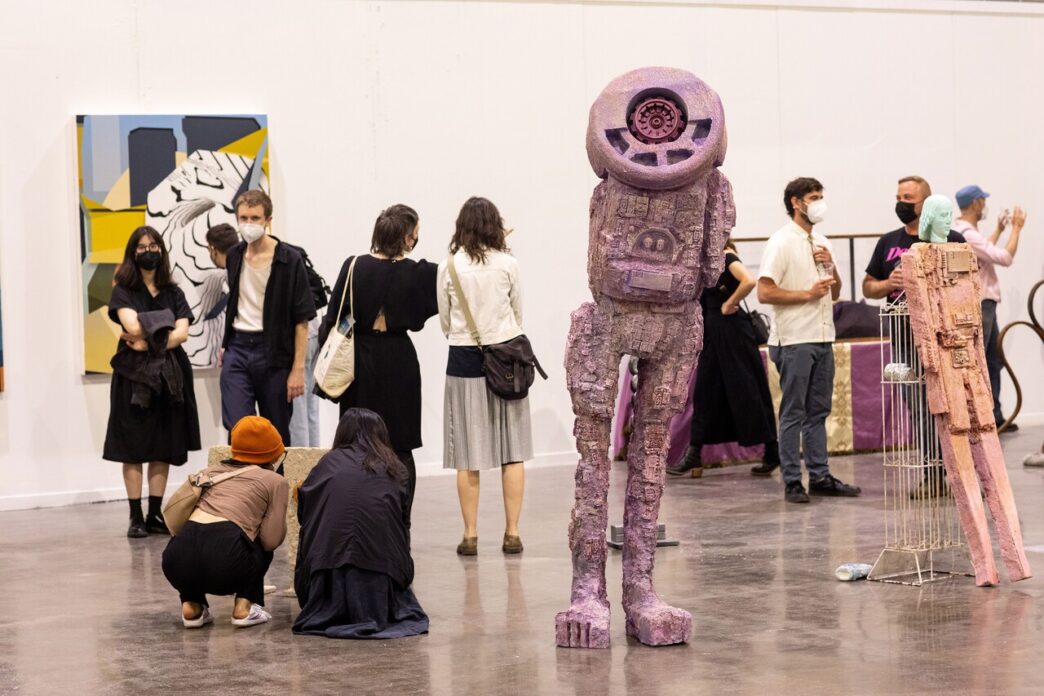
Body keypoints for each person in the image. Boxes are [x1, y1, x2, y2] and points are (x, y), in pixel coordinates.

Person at [317, 205, 438, 522]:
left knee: (356, 440)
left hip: (360, 360)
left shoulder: (354, 265)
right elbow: (454, 281)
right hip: (399, 362)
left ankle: (356, 514)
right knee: (400, 444)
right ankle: (401, 520)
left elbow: (334, 318)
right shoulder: (418, 272)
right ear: (408, 238)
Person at [438, 197, 532, 554]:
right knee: (513, 451)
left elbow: (446, 322)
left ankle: (470, 534)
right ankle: (512, 532)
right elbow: (518, 313)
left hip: (463, 358)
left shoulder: (449, 267)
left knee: (467, 454)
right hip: (507, 357)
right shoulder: (509, 263)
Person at [757, 177, 860, 504]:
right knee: (794, 411)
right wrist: (806, 294)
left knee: (818, 411)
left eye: (821, 196)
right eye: (813, 197)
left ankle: (820, 475)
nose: (819, 202)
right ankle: (792, 481)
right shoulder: (780, 242)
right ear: (795, 203)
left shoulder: (822, 241)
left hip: (822, 336)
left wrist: (830, 267)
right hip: (794, 339)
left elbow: (836, 291)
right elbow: (764, 291)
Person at [864, 176, 965, 498]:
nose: (902, 203)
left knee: (951, 406)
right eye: (898, 196)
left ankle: (960, 473)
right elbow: (869, 286)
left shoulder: (954, 239)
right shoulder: (888, 242)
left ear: (927, 203)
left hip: (942, 337)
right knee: (919, 407)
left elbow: (964, 287)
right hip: (904, 338)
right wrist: (888, 283)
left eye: (908, 197)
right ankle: (932, 472)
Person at [293, 408, 429, 639]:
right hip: (381, 574)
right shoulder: (396, 469)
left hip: (327, 574)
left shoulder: (327, 464)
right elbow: (402, 524)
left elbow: (304, 516)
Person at [103, 226, 201, 537]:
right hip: (133, 376)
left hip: (170, 376)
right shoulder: (124, 291)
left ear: (162, 250)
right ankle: (135, 517)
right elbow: (131, 325)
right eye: (142, 246)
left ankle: (155, 514)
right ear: (133, 253)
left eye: (154, 245)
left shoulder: (174, 292)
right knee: (132, 445)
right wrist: (164, 329)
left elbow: (184, 333)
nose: (149, 251)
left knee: (163, 443)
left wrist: (148, 342)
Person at [161, 416, 288, 628]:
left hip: (175, 561)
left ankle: (192, 606)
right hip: (227, 563)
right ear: (273, 453)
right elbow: (271, 540)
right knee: (260, 542)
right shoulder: (275, 481)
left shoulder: (208, 473)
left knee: (193, 545)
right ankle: (244, 607)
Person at [668, 237, 780, 478]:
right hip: (715, 332)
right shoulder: (707, 260)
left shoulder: (725, 255)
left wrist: (730, 302)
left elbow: (749, 281)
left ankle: (772, 450)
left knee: (747, 389)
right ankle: (695, 452)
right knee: (707, 391)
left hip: (732, 332)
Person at [220, 190, 316, 449]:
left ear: (268, 220)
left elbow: (302, 320)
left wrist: (298, 370)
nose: (248, 224)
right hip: (238, 348)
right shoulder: (234, 255)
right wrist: (225, 344)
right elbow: (236, 303)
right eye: (243, 218)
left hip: (273, 353)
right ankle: (244, 487)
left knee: (276, 432)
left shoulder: (289, 259)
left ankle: (275, 488)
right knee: (238, 428)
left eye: (255, 217)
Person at [952, 185, 1027, 431]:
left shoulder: (964, 231)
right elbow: (1003, 257)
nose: (985, 205)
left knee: (992, 360)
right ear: (975, 204)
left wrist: (999, 229)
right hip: (982, 303)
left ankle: (994, 414)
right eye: (983, 201)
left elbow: (984, 251)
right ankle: (982, 417)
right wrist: (1016, 228)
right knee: (981, 360)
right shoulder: (967, 234)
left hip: (985, 303)